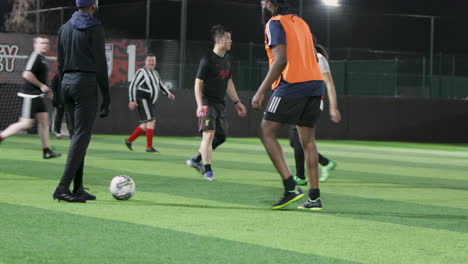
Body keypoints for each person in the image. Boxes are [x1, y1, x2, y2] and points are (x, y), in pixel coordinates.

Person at [252, 0, 324, 210]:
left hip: (292, 84)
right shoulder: (302, 22)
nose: (262, 3)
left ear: (272, 3)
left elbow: (281, 60)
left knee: (266, 131)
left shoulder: (274, 23)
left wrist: (261, 90)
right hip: (315, 84)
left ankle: (290, 187)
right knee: (308, 142)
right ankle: (314, 197)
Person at [53, 0, 110, 203]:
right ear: (93, 5)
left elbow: (59, 63)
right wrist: (106, 96)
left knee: (76, 138)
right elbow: (101, 65)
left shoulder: (64, 27)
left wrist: (62, 89)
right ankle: (62, 187)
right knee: (82, 136)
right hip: (85, 83)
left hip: (66, 82)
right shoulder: (95, 27)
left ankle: (77, 187)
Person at [186, 24, 247, 181]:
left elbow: (228, 82)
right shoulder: (207, 60)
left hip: (220, 105)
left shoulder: (228, 59)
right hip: (207, 103)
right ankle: (208, 171)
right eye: (228, 38)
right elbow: (197, 84)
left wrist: (237, 102)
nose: (231, 41)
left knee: (221, 137)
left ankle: (195, 160)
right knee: (208, 134)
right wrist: (200, 105)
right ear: (219, 40)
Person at [0, 35, 61, 160]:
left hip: (37, 96)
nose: (45, 45)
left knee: (44, 123)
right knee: (26, 124)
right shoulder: (35, 57)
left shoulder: (42, 59)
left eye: (46, 43)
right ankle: (1, 136)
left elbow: (41, 80)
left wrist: (47, 92)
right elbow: (27, 74)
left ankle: (46, 151)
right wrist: (41, 85)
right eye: (42, 43)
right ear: (35, 44)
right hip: (29, 95)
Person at [290, 43, 341, 185]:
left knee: (299, 140)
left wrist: (333, 108)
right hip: (299, 102)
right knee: (295, 141)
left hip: (312, 103)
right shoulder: (300, 58)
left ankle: (300, 177)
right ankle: (325, 163)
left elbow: (329, 84)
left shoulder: (318, 58)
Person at [124, 54, 175, 152]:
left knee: (146, 124)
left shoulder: (155, 73)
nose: (151, 62)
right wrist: (132, 100)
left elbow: (160, 85)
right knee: (151, 121)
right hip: (143, 99)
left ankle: (129, 140)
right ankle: (149, 147)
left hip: (150, 101)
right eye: (149, 60)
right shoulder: (141, 72)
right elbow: (133, 86)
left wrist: (168, 93)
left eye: (153, 61)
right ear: (145, 62)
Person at [51, 73, 65, 139]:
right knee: (59, 116)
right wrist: (55, 99)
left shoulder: (72, 74)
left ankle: (73, 133)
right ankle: (58, 132)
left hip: (70, 100)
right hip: (60, 100)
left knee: (70, 117)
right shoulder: (57, 76)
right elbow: (53, 88)